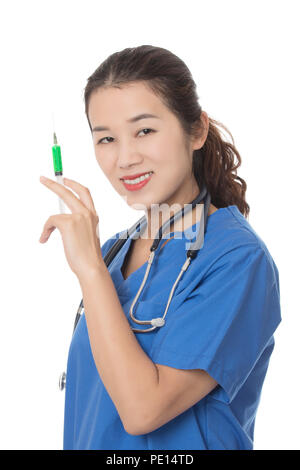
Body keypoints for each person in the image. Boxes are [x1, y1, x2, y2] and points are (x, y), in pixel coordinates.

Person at [41, 45, 281, 450]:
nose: (125, 158)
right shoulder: (114, 252)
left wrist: (90, 272)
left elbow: (143, 411)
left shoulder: (237, 260)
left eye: (145, 130)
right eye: (106, 139)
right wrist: (96, 266)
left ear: (198, 130)